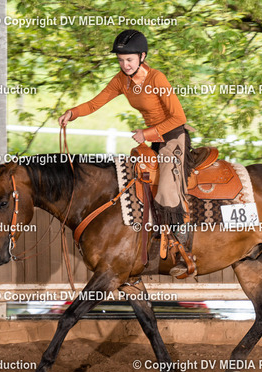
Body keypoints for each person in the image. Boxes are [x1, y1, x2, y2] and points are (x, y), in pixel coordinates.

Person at [58, 29, 193, 277]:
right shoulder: (121, 80)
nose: (125, 65)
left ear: (142, 57)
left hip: (173, 137)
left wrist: (148, 133)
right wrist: (73, 113)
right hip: (153, 140)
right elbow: (95, 103)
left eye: (129, 59)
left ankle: (184, 247)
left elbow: (179, 118)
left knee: (166, 189)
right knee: (134, 181)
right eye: (120, 60)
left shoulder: (157, 78)